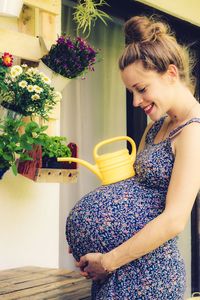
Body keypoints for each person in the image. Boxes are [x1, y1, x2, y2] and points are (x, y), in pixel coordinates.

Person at [66, 15, 200, 299]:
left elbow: (175, 219)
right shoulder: (156, 126)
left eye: (141, 89)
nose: (136, 101)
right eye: (131, 92)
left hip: (149, 277)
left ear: (171, 74)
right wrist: (90, 233)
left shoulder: (194, 133)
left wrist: (108, 260)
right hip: (119, 268)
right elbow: (135, 188)